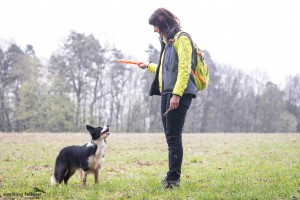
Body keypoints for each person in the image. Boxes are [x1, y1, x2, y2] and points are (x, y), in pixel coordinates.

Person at [138, 8, 197, 189]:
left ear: (163, 23)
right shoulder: (168, 42)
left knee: (173, 137)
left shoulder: (182, 39)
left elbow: (184, 69)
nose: (154, 30)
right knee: (169, 137)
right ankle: (171, 177)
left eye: (155, 26)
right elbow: (166, 70)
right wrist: (148, 66)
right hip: (167, 93)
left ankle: (173, 180)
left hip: (178, 94)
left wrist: (177, 94)